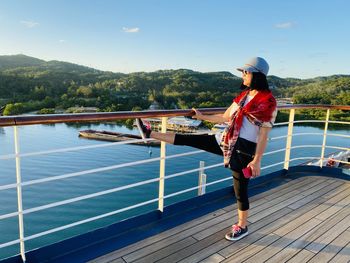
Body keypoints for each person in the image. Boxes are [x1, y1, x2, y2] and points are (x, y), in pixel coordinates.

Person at [136, 57, 277, 241]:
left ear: (256, 74)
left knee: (240, 189)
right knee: (191, 139)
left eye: (245, 72)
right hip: (226, 141)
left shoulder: (268, 102)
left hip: (243, 149)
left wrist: (256, 160)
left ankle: (242, 226)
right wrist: (202, 116)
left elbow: (264, 134)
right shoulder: (243, 97)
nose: (242, 75)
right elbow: (225, 117)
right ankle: (150, 133)